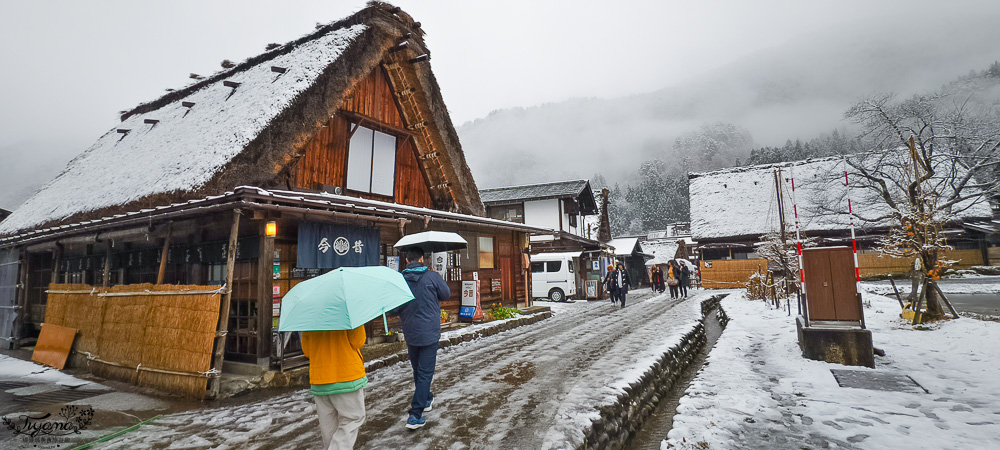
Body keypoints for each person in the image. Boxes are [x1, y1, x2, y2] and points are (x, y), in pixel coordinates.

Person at [392, 247, 451, 430]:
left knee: (418, 370)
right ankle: (415, 415)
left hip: (410, 332)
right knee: (425, 373)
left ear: (407, 261)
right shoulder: (432, 277)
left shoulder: (399, 280)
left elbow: (393, 309)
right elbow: (446, 295)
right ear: (422, 259)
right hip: (430, 332)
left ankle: (426, 398)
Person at [301, 326, 367, 449]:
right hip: (346, 376)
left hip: (320, 378)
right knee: (352, 419)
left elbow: (307, 351)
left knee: (328, 427)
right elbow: (358, 341)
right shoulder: (348, 312)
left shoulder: (310, 318)